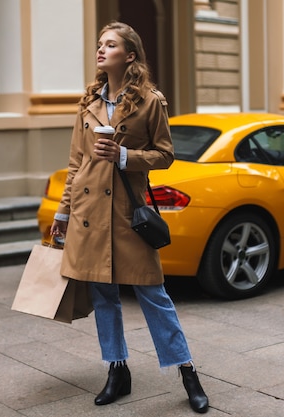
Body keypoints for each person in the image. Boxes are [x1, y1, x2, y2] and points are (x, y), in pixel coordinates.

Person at [50, 21, 209, 413]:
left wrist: (123, 156)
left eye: (111, 45)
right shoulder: (88, 101)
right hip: (88, 212)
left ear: (130, 55)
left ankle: (187, 371)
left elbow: (166, 154)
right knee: (104, 295)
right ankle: (117, 370)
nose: (101, 50)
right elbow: (75, 163)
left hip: (127, 210)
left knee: (153, 294)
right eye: (100, 44)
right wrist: (63, 210)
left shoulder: (150, 101)